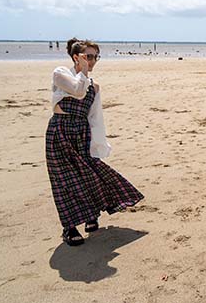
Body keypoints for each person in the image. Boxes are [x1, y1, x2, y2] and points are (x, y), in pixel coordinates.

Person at [45, 38, 144, 246]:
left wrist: (99, 144)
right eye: (87, 56)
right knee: (64, 181)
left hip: (81, 133)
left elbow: (95, 118)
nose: (91, 61)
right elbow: (78, 91)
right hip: (60, 131)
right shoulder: (60, 73)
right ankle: (69, 227)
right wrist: (82, 70)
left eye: (94, 57)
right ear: (75, 57)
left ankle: (92, 215)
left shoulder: (95, 87)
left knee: (89, 175)